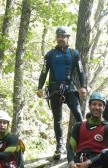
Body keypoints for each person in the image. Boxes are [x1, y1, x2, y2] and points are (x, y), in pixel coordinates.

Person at [36, 26, 87, 160]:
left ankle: (84, 143)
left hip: (70, 89)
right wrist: (39, 87)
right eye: (58, 36)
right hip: (54, 90)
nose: (60, 39)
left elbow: (81, 71)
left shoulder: (74, 54)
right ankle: (60, 146)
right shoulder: (50, 54)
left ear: (68, 38)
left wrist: (83, 86)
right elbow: (43, 72)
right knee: (57, 119)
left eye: (63, 36)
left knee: (78, 115)